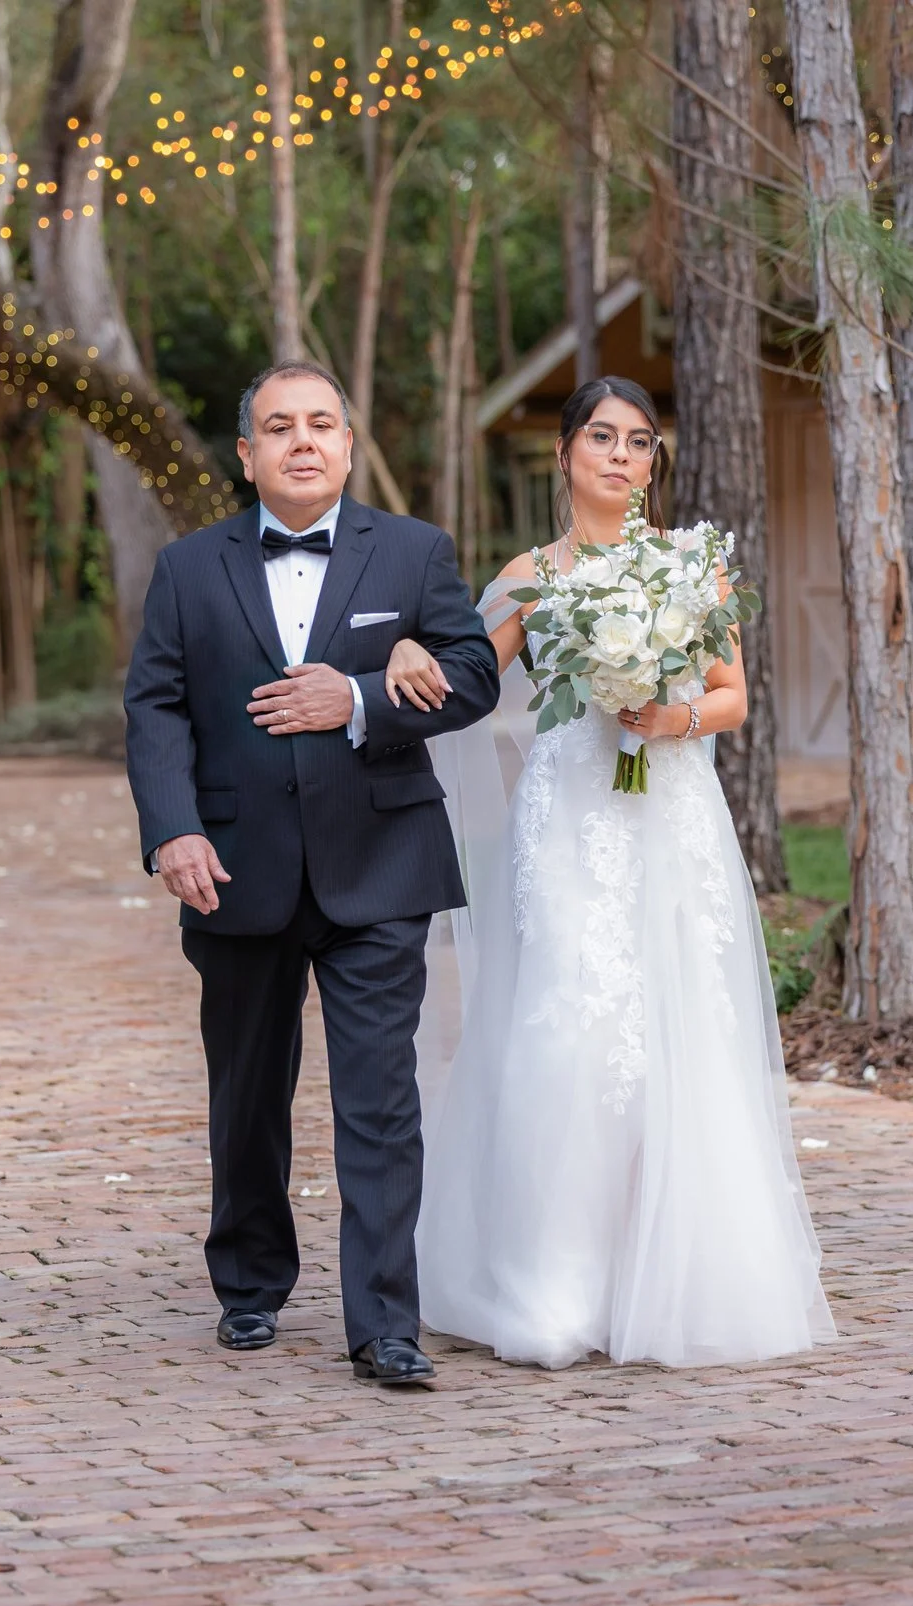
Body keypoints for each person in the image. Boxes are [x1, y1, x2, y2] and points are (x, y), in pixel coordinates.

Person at [384, 377, 835, 1369]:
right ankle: (552, 1281)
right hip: (566, 821)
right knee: (566, 1026)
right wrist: (411, 651)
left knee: (679, 1032)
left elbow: (731, 696)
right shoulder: (528, 576)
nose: (621, 455)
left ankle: (670, 1275)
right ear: (565, 453)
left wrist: (665, 715)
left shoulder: (690, 567)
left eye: (639, 441)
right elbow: (468, 683)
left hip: (665, 815)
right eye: (602, 436)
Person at [123, 361, 501, 1387]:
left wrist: (366, 696)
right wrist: (173, 830)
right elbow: (155, 706)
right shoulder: (186, 570)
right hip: (235, 867)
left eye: (321, 423)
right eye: (278, 426)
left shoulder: (414, 551)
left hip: (379, 859)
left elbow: (474, 673)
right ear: (245, 454)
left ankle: (385, 1321)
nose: (302, 440)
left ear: (346, 442)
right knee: (247, 1090)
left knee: (380, 1098)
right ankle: (249, 1287)